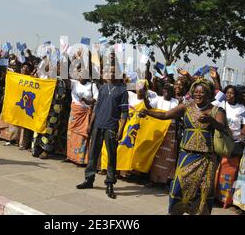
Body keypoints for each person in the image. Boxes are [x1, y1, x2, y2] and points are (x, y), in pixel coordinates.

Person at [139, 79, 231, 215]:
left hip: (206, 159)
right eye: (196, 92)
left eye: (202, 92)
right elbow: (165, 115)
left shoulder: (216, 110)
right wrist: (148, 112)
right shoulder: (186, 106)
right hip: (186, 156)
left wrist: (211, 121)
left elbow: (222, 128)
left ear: (209, 94)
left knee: (203, 193)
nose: (198, 95)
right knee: (178, 189)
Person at [76, 65, 129, 199]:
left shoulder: (123, 91)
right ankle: (89, 179)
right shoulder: (103, 88)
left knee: (111, 156)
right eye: (109, 71)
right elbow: (96, 107)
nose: (111, 74)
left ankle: (110, 184)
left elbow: (124, 113)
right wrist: (91, 124)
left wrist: (121, 130)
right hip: (98, 125)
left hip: (111, 126)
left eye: (113, 71)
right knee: (93, 152)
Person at [213, 85, 245, 208]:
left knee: (230, 171)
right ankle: (214, 194)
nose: (229, 95)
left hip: (235, 144)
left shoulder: (242, 108)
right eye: (227, 93)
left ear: (236, 95)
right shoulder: (220, 105)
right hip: (220, 140)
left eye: (232, 93)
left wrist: (241, 137)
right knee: (217, 168)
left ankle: (226, 199)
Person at [147, 82, 179, 189]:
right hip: (158, 131)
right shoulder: (158, 99)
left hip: (170, 131)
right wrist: (144, 97)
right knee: (156, 154)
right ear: (162, 92)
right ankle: (153, 180)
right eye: (165, 91)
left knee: (168, 156)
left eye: (169, 91)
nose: (166, 93)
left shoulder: (176, 102)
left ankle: (166, 181)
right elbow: (149, 107)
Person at [65, 75, 98, 165]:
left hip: (85, 112)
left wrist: (87, 101)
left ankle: (80, 159)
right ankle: (70, 156)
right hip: (75, 112)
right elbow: (65, 80)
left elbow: (96, 98)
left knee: (83, 135)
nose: (81, 76)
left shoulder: (92, 85)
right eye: (79, 73)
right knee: (71, 133)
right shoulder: (74, 83)